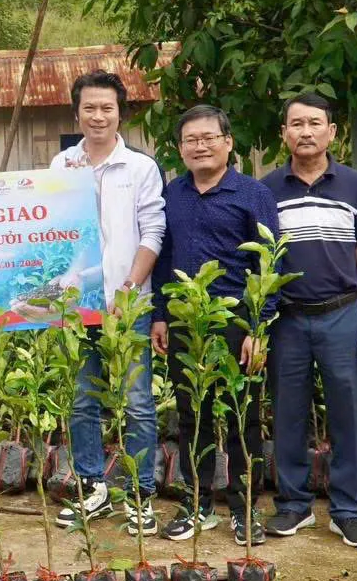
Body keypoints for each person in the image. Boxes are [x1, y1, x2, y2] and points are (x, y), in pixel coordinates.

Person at [261, 94, 357, 549]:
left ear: (333, 132)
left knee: (349, 414)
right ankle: (293, 506)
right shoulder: (267, 189)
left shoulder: (355, 186)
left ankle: (349, 510)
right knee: (288, 413)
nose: (306, 131)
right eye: (296, 124)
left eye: (315, 123)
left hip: (342, 315)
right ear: (284, 135)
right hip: (287, 319)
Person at [152, 105, 276, 545]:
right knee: (191, 416)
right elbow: (164, 259)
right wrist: (160, 316)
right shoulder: (172, 195)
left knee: (244, 417)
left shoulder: (252, 193)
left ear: (228, 143)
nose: (200, 146)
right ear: (181, 148)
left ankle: (246, 508)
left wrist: (258, 329)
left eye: (209, 137)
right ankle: (197, 503)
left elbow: (268, 261)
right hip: (187, 319)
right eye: (191, 140)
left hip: (238, 321)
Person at [50, 71, 166, 537]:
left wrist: (129, 287)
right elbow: (50, 233)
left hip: (129, 304)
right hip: (77, 305)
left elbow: (153, 233)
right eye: (89, 108)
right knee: (83, 400)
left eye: (107, 108)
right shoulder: (61, 166)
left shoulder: (140, 168)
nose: (98, 116)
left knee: (138, 401)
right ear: (76, 112)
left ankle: (140, 493)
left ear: (121, 112)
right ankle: (92, 486)